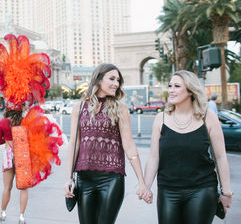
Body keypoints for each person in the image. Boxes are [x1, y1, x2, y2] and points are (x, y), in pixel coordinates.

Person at [143, 70, 232, 224]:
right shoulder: (160, 119)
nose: (171, 90)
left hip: (202, 189)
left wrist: (226, 192)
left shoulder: (208, 117)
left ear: (191, 91)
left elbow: (220, 157)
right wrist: (146, 186)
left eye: (177, 86)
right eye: (170, 86)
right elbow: (153, 157)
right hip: (168, 190)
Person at [64, 63, 149, 224]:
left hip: (111, 179)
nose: (116, 83)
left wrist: (142, 182)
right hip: (85, 179)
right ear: (98, 80)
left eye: (118, 80)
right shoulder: (79, 107)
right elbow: (74, 144)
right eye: (112, 78)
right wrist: (68, 178)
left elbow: (129, 146)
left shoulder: (120, 109)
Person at [0, 109, 28, 224]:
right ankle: (21, 216)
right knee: (24, 188)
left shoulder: (4, 122)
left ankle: (3, 213)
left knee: (7, 187)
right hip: (22, 155)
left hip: (8, 156)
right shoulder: (25, 121)